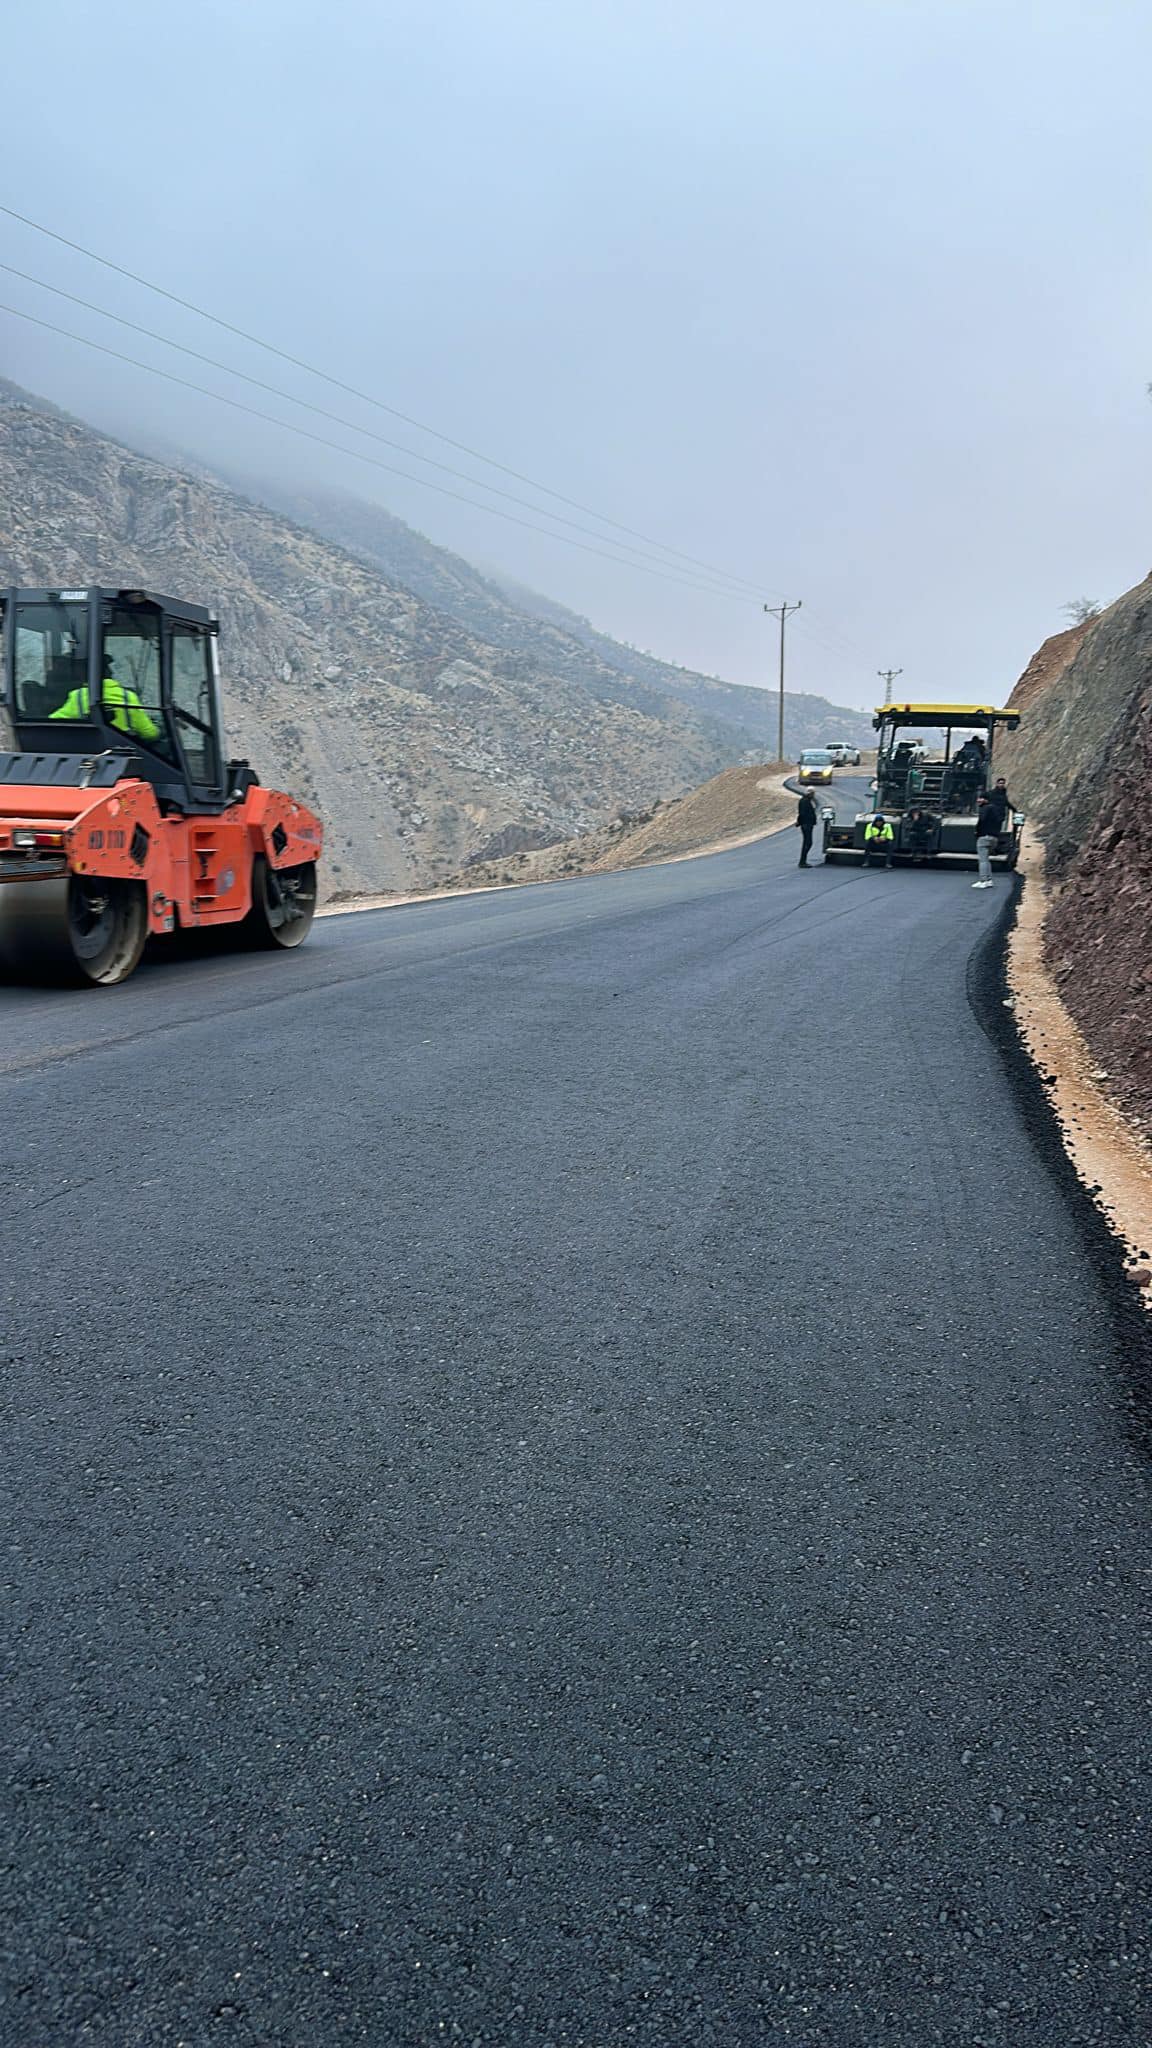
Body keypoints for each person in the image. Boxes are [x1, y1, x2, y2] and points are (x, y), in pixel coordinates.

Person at [50, 664, 161, 743]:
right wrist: (159, 730)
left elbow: (53, 722)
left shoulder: (78, 696)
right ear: (110, 674)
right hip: (125, 752)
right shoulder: (128, 697)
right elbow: (149, 734)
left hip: (88, 751)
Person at [973, 778, 1011, 888]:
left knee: (983, 860)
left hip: (984, 837)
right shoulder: (997, 812)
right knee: (987, 859)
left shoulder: (985, 809)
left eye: (980, 799)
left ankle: (983, 880)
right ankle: (989, 880)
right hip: (994, 837)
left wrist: (977, 832)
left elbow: (982, 822)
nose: (978, 801)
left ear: (985, 800)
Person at [795, 788, 818, 867]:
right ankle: (802, 862)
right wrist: (800, 822)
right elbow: (802, 813)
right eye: (813, 793)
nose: (814, 795)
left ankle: (803, 861)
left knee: (807, 842)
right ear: (810, 793)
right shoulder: (805, 801)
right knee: (808, 842)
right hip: (806, 824)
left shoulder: (805, 800)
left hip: (807, 824)